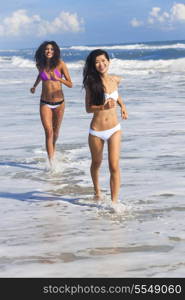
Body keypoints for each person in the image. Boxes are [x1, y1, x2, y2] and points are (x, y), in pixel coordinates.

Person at [83, 49, 128, 203]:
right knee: (96, 163)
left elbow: (116, 95)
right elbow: (88, 109)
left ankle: (114, 202)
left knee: (114, 166)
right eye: (97, 62)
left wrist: (123, 106)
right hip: (97, 131)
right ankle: (97, 191)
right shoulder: (91, 83)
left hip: (115, 129)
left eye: (103, 61)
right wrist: (103, 106)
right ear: (93, 65)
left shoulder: (115, 80)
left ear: (108, 61)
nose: (101, 64)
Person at [30, 41, 72, 167]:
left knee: (56, 132)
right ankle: (52, 164)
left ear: (55, 51)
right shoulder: (40, 64)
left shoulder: (60, 64)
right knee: (48, 132)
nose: (49, 51)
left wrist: (58, 78)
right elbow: (41, 76)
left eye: (52, 49)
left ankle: (53, 148)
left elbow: (70, 84)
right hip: (44, 102)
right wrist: (34, 86)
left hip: (59, 103)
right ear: (43, 51)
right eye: (47, 49)